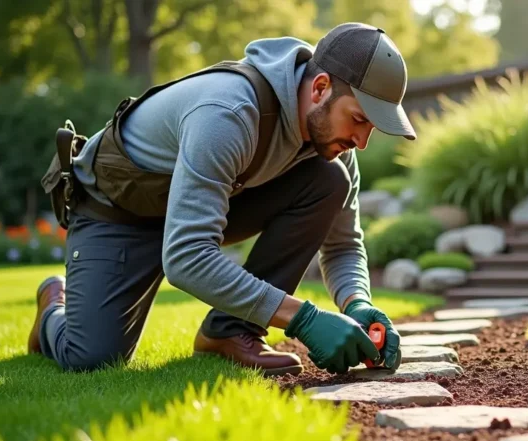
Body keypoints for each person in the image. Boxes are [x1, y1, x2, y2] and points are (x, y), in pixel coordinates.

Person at [29, 22, 414, 376]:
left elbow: (343, 243)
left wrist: (358, 305)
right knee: (91, 358)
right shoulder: (228, 112)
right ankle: (52, 306)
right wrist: (305, 319)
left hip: (203, 209)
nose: (362, 142)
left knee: (332, 180)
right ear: (320, 88)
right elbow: (187, 256)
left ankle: (229, 333)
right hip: (117, 213)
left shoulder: (331, 139)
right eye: (360, 120)